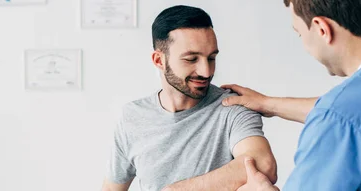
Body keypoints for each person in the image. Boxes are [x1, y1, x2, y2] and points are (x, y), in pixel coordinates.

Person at [225, 0, 361, 190]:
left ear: (322, 29)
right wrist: (268, 104)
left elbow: (345, 116)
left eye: (299, 33)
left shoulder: (338, 116)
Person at [101, 5, 277, 191]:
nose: (206, 71)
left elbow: (263, 164)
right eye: (192, 59)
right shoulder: (133, 117)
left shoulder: (233, 106)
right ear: (159, 61)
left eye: (211, 58)